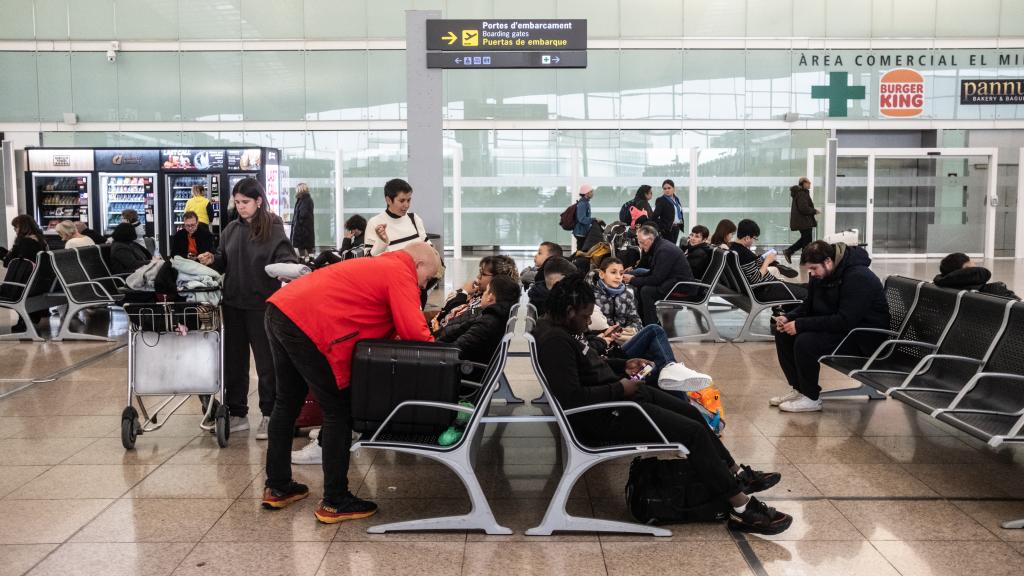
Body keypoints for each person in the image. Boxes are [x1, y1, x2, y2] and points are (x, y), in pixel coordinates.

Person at [534, 276, 792, 535]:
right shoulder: (555, 341)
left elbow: (588, 368)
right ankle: (743, 509)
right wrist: (620, 388)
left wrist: (622, 366)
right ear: (569, 311)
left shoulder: (562, 329)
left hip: (618, 401)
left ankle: (736, 475)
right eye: (585, 315)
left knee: (691, 412)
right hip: (604, 416)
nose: (589, 321)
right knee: (692, 433)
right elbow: (571, 397)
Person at [262, 242, 442, 523]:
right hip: (308, 324)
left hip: (282, 309)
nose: (425, 284)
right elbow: (414, 333)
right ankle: (335, 500)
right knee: (338, 410)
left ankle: (278, 486)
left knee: (287, 400)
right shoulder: (400, 272)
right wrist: (442, 354)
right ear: (418, 264)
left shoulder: (382, 263)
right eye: (428, 277)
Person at [197, 178, 297, 440]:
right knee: (234, 362)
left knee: (267, 363)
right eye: (237, 202)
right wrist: (212, 260)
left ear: (258, 201)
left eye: (245, 202)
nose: (240, 207)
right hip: (233, 304)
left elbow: (287, 259)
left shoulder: (274, 229)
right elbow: (224, 260)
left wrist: (285, 269)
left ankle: (269, 414)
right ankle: (237, 412)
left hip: (263, 305)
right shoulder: (231, 229)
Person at [772, 241, 890, 413]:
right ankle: (800, 390)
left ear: (828, 261)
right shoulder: (823, 275)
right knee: (783, 333)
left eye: (813, 268)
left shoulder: (859, 277)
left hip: (863, 337)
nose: (811, 274)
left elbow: (845, 320)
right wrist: (788, 317)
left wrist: (801, 325)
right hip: (843, 330)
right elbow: (808, 306)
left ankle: (811, 398)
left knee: (806, 342)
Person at [436, 275, 521, 364]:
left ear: (490, 297)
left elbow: (455, 351)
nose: (483, 294)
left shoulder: (487, 324)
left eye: (486, 291)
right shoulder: (495, 317)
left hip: (461, 370)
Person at [623, 225, 694, 326]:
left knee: (646, 291)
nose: (640, 246)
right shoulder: (659, 246)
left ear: (651, 239)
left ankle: (651, 327)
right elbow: (654, 272)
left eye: (642, 242)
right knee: (639, 277)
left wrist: (633, 280)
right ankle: (642, 322)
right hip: (672, 281)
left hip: (680, 287)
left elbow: (656, 279)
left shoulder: (664, 250)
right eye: (639, 242)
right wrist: (635, 278)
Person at [432, 255, 519, 332]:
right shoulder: (480, 295)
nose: (478, 276)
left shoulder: (485, 302)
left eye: (483, 274)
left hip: (439, 339)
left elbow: (452, 316)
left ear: (497, 279)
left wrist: (463, 292)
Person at [729, 219, 805, 297]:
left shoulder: (734, 248)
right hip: (765, 289)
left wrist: (763, 258)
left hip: (767, 285)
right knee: (804, 292)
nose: (755, 241)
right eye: (755, 238)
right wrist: (767, 262)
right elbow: (755, 279)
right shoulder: (744, 253)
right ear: (747, 238)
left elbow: (750, 266)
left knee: (803, 286)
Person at [366, 178, 428, 257]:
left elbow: (429, 249)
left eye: (408, 200)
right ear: (388, 200)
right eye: (402, 201)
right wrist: (382, 242)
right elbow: (368, 259)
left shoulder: (414, 218)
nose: (406, 205)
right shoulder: (375, 223)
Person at [934, 252, 1018, 300]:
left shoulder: (944, 290)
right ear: (966, 268)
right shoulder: (995, 290)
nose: (975, 263)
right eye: (971, 261)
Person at [593, 256, 641, 331]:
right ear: (601, 274)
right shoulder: (592, 295)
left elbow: (636, 320)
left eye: (621, 273)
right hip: (602, 338)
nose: (618, 277)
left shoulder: (628, 294)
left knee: (654, 329)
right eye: (613, 272)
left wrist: (633, 329)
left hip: (624, 337)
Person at [783, 177, 818, 264]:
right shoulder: (801, 193)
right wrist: (814, 211)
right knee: (806, 240)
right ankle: (790, 251)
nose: (810, 184)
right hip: (804, 221)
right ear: (803, 183)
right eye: (808, 182)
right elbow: (803, 208)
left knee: (806, 240)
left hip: (803, 221)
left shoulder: (800, 193)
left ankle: (803, 260)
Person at [652, 179, 685, 245]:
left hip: (676, 227)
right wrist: (662, 227)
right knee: (669, 248)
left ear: (674, 189)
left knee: (673, 247)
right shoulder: (661, 200)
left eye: (669, 188)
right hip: (668, 229)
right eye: (665, 189)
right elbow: (654, 216)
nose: (667, 190)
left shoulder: (676, 199)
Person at [290, 183, 315, 258]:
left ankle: (307, 262)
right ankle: (308, 261)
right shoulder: (304, 199)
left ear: (300, 189)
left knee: (304, 248)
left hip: (303, 229)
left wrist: (298, 224)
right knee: (306, 248)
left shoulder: (305, 200)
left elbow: (303, 214)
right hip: (305, 229)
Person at [573, 185, 594, 249]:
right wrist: (594, 220)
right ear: (586, 193)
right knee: (580, 251)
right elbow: (581, 219)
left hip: (583, 232)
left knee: (581, 251)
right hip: (580, 233)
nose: (593, 193)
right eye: (591, 192)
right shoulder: (582, 204)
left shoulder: (585, 203)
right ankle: (575, 259)